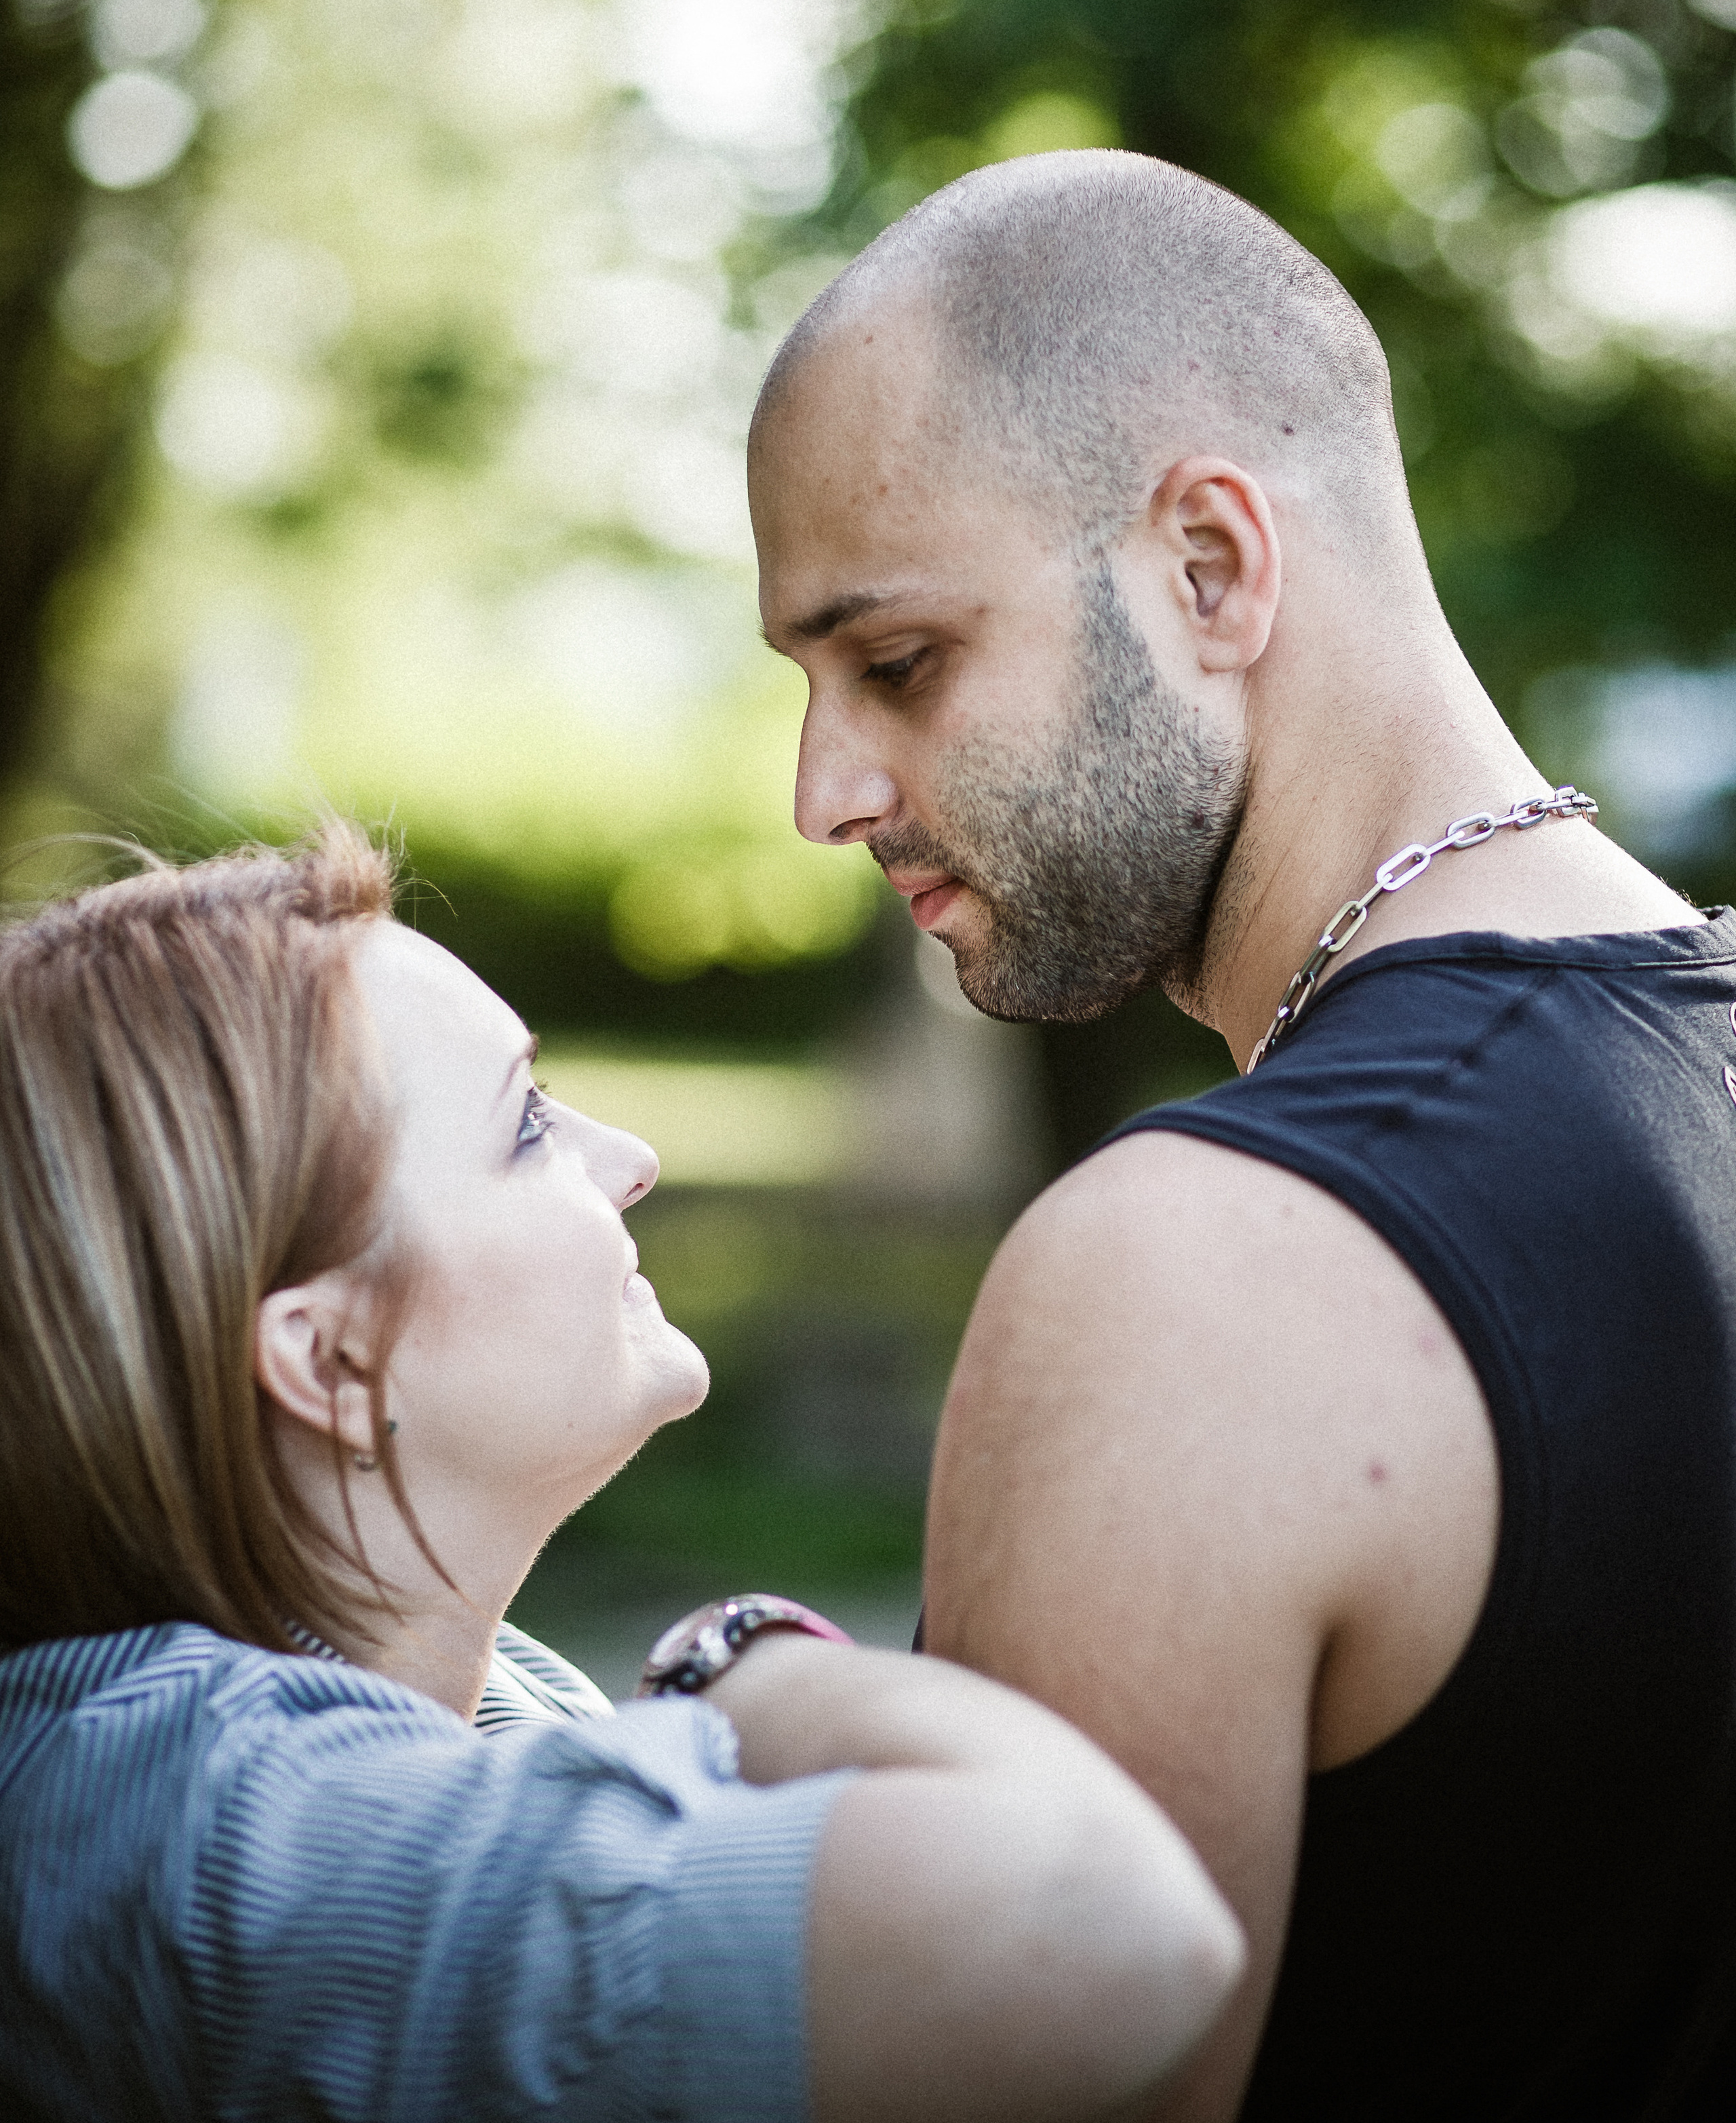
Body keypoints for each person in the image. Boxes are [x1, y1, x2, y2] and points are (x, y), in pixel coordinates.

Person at [748, 148, 1736, 2121]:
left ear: (1210, 566)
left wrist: (728, 1694)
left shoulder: (1190, 1277)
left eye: (901, 664)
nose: (825, 790)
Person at [0, 824, 1242, 2123]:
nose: (630, 1157)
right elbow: (1107, 1928)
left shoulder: (476, 1695)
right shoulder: (228, 1842)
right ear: (328, 1356)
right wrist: (739, 1665)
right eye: (526, 1126)